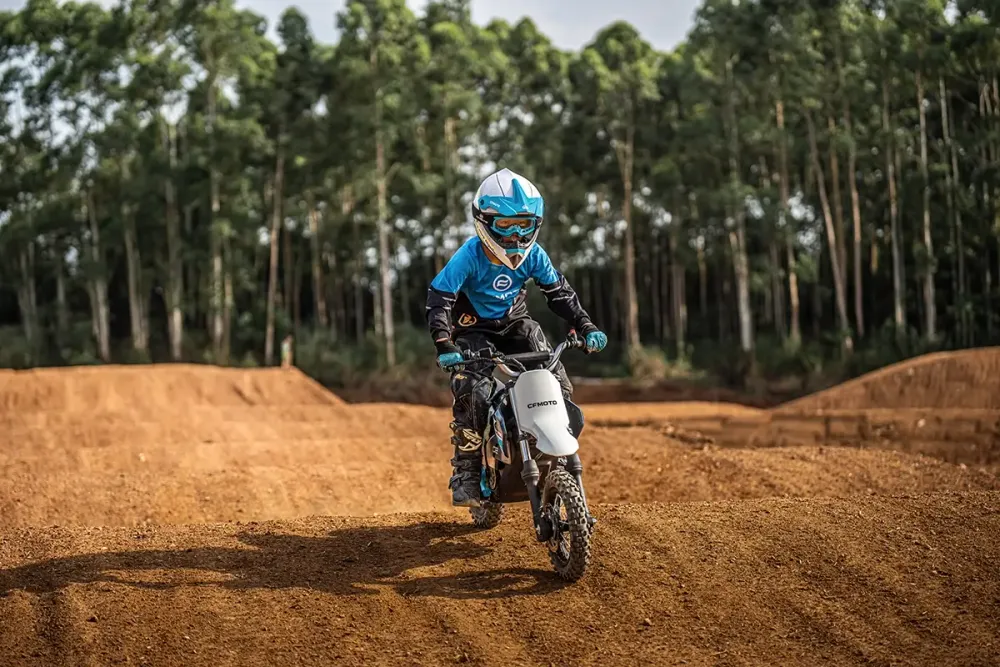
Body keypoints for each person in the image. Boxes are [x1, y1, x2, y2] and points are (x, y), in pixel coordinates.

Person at [425, 168, 608, 508]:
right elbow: (440, 299)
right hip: (473, 330)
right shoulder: (469, 255)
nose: (516, 234)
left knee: (557, 380)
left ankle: (547, 440)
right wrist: (444, 342)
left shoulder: (535, 255)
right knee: (472, 390)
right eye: (506, 224)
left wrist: (586, 325)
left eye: (524, 224)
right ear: (485, 222)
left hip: (515, 324)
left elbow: (559, 294)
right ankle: (467, 471)